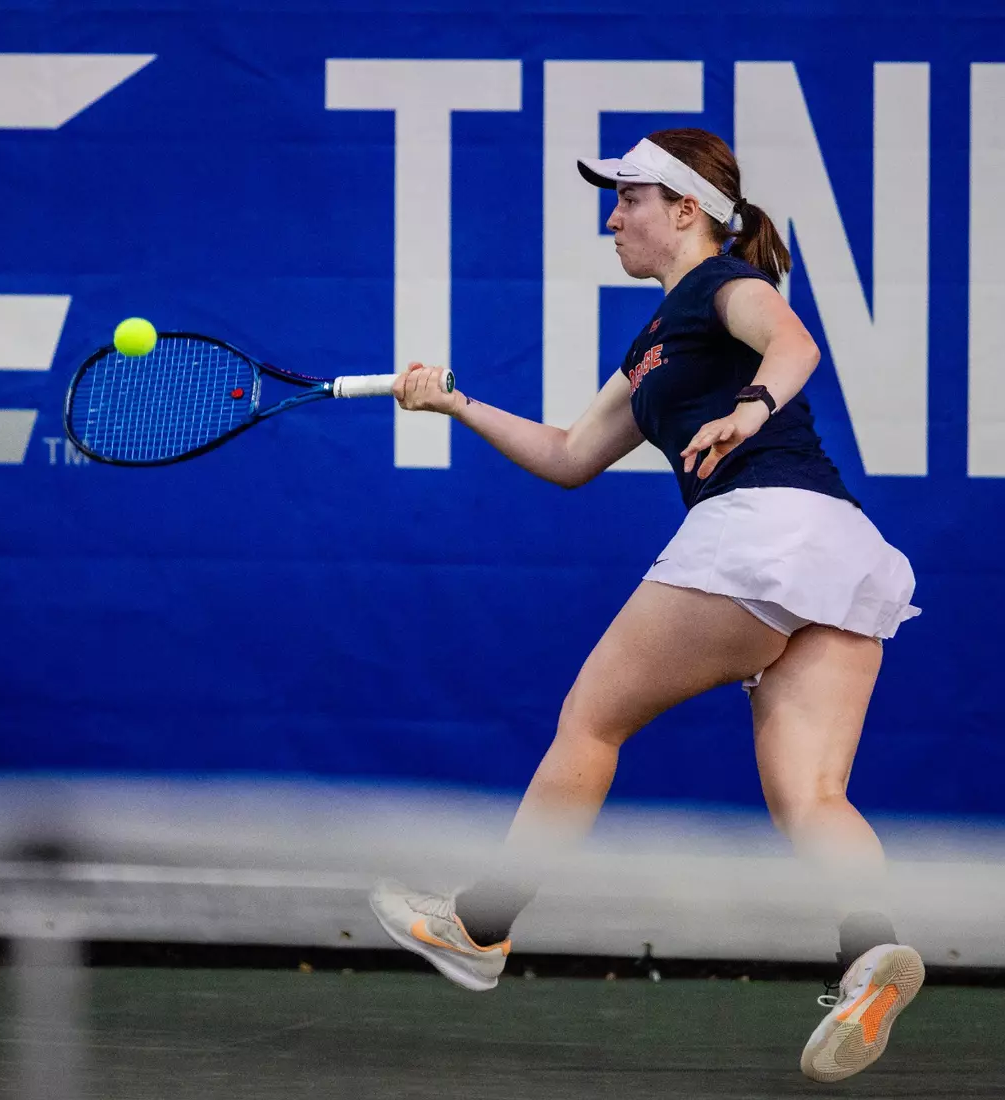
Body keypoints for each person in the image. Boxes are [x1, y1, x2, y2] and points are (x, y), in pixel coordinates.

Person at [369, 128, 923, 1083]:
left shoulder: (721, 288)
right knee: (811, 798)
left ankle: (480, 926)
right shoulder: (656, 340)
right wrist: (456, 403)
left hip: (761, 533)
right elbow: (571, 457)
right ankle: (869, 950)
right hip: (837, 553)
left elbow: (791, 341)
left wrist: (750, 406)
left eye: (626, 199)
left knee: (589, 723)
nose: (610, 218)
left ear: (685, 211)